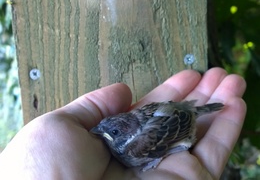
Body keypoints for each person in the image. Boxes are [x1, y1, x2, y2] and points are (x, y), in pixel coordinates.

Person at [0, 67, 246, 180]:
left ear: (126, 132)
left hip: (182, 124)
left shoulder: (134, 146)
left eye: (113, 131)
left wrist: (157, 157)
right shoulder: (122, 132)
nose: (101, 132)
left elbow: (173, 127)